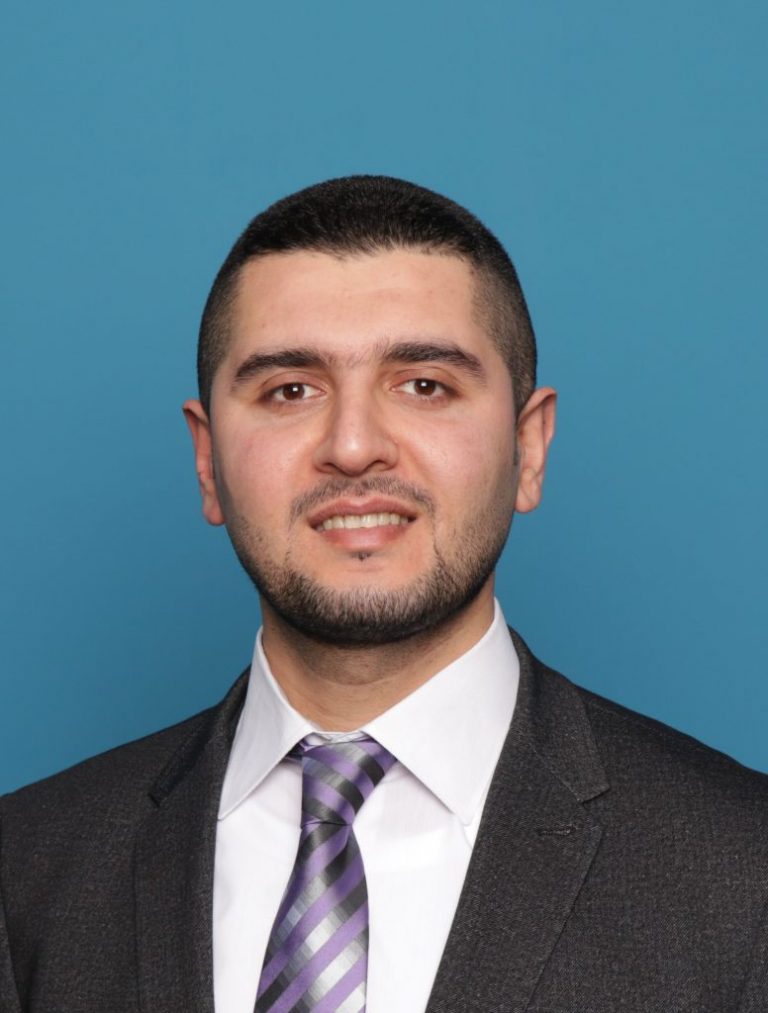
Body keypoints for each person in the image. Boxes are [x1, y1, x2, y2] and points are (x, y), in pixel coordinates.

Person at [1, 176, 767, 1013]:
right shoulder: (27, 870)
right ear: (207, 460)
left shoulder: (744, 871)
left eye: (425, 384)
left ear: (530, 447)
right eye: (291, 389)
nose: (354, 445)